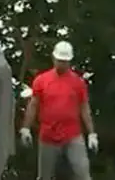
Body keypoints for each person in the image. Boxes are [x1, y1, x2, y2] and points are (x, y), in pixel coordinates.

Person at [18, 40, 98, 180]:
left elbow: (84, 108)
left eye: (65, 61)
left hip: (72, 134)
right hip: (48, 135)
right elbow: (33, 105)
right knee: (44, 176)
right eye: (60, 60)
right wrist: (25, 128)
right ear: (54, 58)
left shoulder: (78, 82)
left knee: (83, 174)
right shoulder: (41, 80)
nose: (62, 63)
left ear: (70, 61)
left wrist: (92, 134)